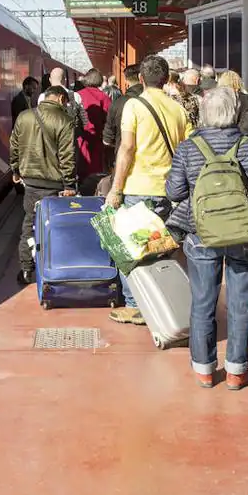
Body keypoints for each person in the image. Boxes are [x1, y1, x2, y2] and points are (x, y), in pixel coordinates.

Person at [166, 87, 248, 390]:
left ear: (204, 113)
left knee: (203, 301)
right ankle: (236, 370)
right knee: (241, 303)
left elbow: (175, 192)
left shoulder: (188, 148)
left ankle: (205, 368)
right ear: (236, 112)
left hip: (201, 234)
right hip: (246, 235)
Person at [104, 55, 191, 325]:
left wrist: (116, 188)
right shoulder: (179, 109)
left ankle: (136, 305)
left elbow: (127, 148)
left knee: (128, 249)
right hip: (168, 190)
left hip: (138, 188)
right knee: (160, 250)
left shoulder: (134, 105)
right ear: (165, 80)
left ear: (141, 78)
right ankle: (161, 302)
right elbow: (185, 150)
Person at [9, 85, 78, 286]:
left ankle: (26, 269)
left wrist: (15, 171)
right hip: (55, 184)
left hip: (30, 181)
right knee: (55, 226)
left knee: (30, 223)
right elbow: (68, 156)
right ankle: (54, 266)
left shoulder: (24, 116)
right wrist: (70, 184)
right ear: (60, 99)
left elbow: (14, 145)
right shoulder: (65, 120)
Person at [75, 69, 111, 176]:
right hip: (98, 139)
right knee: (96, 169)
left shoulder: (78, 95)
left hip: (81, 138)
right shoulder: (104, 97)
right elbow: (109, 119)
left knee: (82, 166)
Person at [102, 64, 142, 156]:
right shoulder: (153, 101)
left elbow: (107, 140)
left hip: (123, 157)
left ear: (126, 81)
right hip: (150, 160)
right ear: (141, 77)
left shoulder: (117, 103)